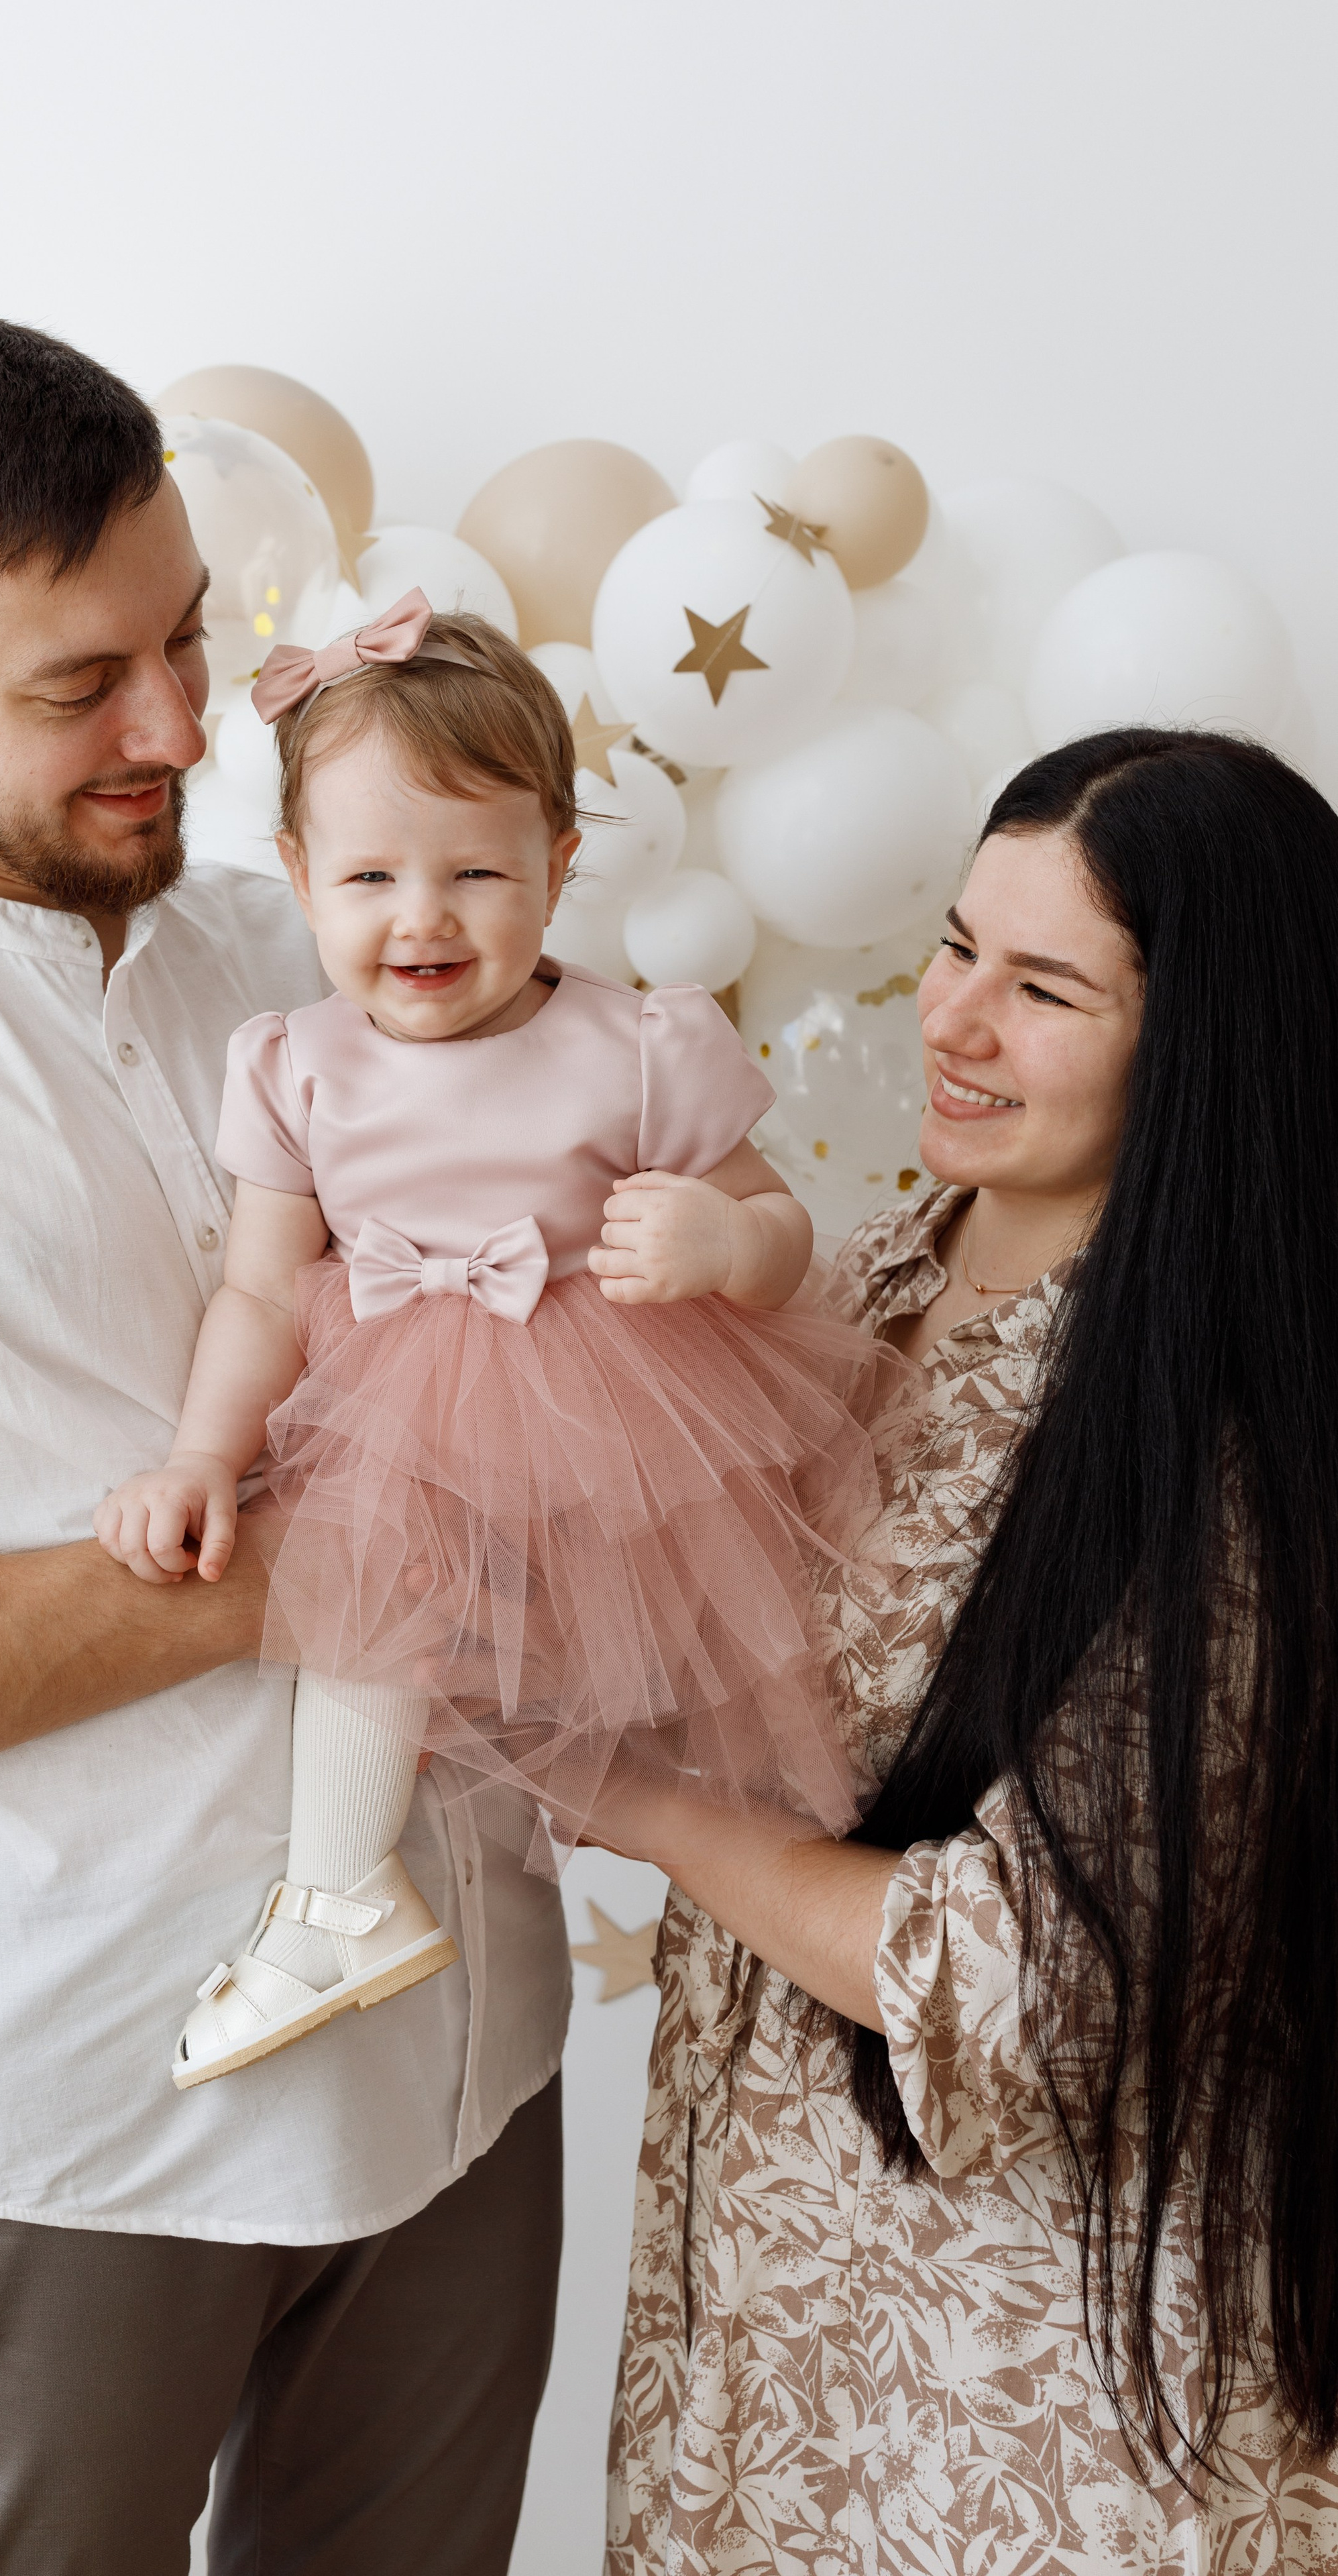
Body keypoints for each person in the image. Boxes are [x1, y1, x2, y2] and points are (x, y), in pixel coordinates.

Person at [0, 307, 571, 2576]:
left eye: (188, 639)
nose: (177, 732)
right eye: (77, 687)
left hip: (470, 2084)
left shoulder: (322, 947)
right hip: (75, 2146)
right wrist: (294, 1579)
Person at [603, 729, 1338, 2571]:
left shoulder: (1215, 1459)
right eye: (954, 947)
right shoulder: (856, 1282)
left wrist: (647, 1806)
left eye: (1045, 988)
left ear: (1207, 1044)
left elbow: (1012, 1995)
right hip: (775, 2332)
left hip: (1030, 2415)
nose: (953, 1019)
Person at [96, 592, 894, 2091]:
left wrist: (722, 1245)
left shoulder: (637, 1041)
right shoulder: (293, 1064)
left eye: (477, 871)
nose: (424, 917)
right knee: (370, 1593)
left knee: (725, 1657)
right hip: (403, 1400)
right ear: (296, 877)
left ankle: (806, 1899)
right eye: (372, 876)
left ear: (559, 861)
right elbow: (265, 1292)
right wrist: (202, 1452)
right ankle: (340, 1890)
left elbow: (777, 1223)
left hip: (620, 1407)